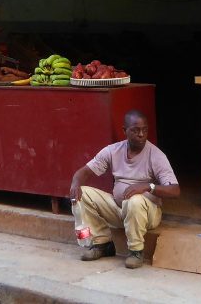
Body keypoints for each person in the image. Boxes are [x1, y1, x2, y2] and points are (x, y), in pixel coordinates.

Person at [69, 110, 180, 269]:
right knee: (83, 194)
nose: (141, 134)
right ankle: (102, 244)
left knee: (134, 201)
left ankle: (136, 251)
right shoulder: (113, 150)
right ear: (124, 131)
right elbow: (83, 172)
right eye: (135, 130)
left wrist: (148, 186)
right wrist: (75, 184)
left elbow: (175, 190)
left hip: (146, 213)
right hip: (119, 209)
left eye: (145, 130)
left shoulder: (156, 155)